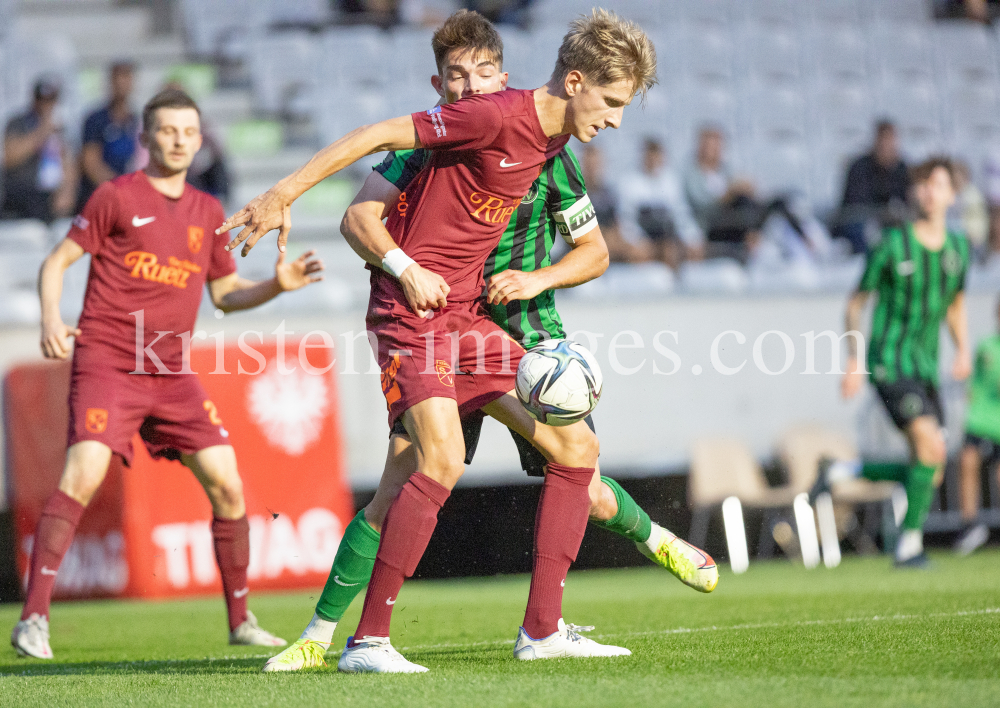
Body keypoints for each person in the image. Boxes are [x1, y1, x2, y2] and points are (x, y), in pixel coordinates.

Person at [261, 10, 716, 674]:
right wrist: (286, 194)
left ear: (500, 71)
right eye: (613, 102)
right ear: (577, 80)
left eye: (480, 72)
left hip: (471, 319)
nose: (617, 119)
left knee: (576, 448)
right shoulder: (490, 118)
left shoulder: (555, 153)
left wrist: (532, 280)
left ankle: (544, 630)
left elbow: (592, 251)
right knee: (430, 463)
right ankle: (360, 640)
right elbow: (374, 151)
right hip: (411, 314)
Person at [10, 88, 326, 660]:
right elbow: (57, 261)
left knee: (229, 485)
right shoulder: (114, 197)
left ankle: (240, 619)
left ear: (200, 139)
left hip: (170, 370)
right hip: (108, 359)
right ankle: (33, 620)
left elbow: (226, 296)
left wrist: (277, 286)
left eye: (189, 131)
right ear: (147, 137)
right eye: (168, 130)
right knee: (82, 475)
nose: (179, 140)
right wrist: (52, 319)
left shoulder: (207, 212)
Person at [822, 157, 971, 568]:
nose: (928, 192)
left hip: (926, 368)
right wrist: (854, 360)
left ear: (951, 195)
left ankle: (846, 471)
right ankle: (908, 546)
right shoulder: (891, 244)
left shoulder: (959, 248)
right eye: (922, 184)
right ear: (913, 192)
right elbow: (856, 303)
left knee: (932, 465)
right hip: (889, 363)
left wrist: (961, 348)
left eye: (937, 185)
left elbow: (955, 305)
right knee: (930, 445)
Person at [954, 299, 1000, 555]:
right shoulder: (987, 346)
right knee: (967, 461)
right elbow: (976, 384)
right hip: (982, 420)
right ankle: (969, 525)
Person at [617, 138, 704, 268]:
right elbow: (626, 219)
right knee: (639, 254)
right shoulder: (629, 182)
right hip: (642, 237)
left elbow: (681, 214)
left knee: (676, 251)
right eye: (649, 155)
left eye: (656, 155)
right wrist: (637, 241)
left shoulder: (671, 181)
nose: (653, 160)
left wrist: (692, 238)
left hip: (666, 237)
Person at [1, 77, 77, 223]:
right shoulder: (18, 122)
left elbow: (69, 161)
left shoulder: (61, 127)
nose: (46, 105)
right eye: (42, 99)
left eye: (51, 99)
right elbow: (10, 157)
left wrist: (67, 191)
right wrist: (42, 132)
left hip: (52, 199)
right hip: (21, 197)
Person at [838, 120, 910, 254]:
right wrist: (883, 213)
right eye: (883, 141)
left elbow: (907, 201)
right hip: (859, 223)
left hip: (890, 223)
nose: (886, 147)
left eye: (890, 141)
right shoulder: (859, 166)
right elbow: (855, 207)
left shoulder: (902, 168)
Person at [77, 62, 140, 211]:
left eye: (126, 77)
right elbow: (90, 163)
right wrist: (118, 187)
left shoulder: (136, 120)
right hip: (103, 196)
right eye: (117, 78)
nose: (121, 83)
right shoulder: (96, 120)